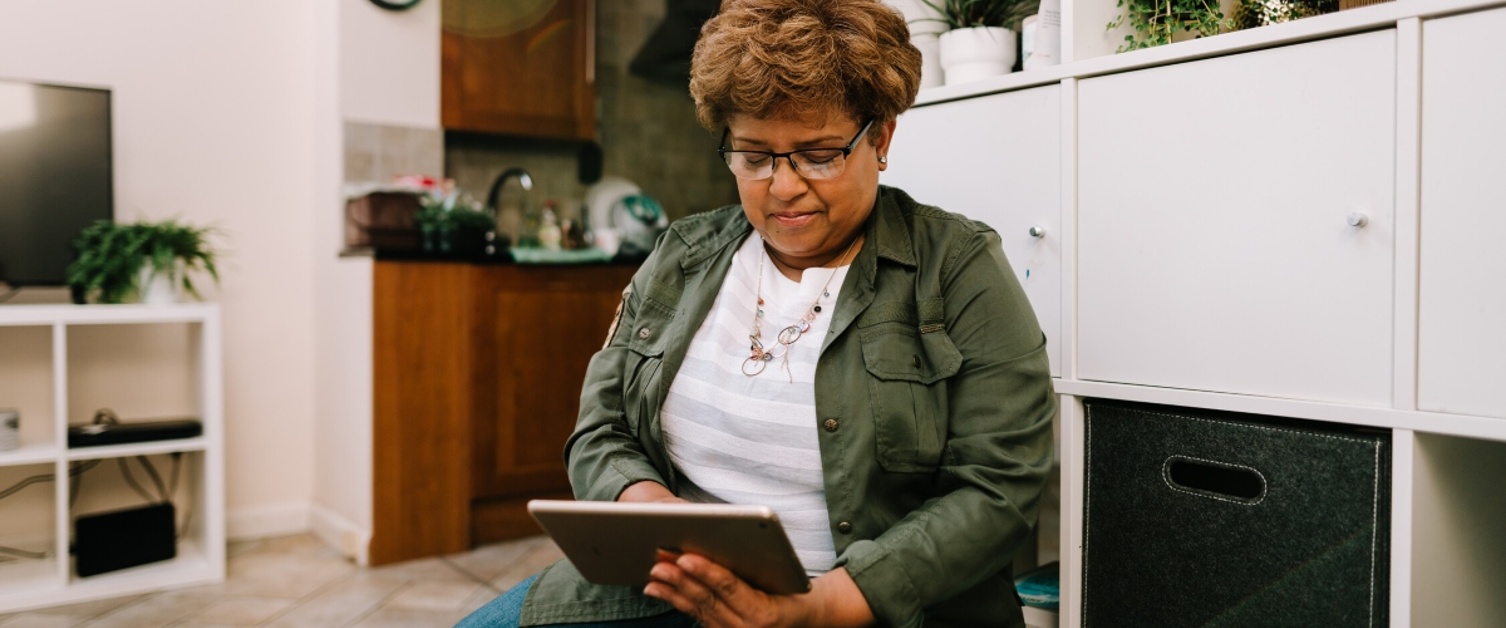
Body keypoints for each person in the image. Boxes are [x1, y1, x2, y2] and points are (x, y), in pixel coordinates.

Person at [458, 0, 1055, 626]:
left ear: (879, 137)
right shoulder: (681, 255)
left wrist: (823, 606)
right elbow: (602, 426)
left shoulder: (956, 265)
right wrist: (652, 509)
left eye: (819, 154)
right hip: (668, 588)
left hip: (865, 609)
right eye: (755, 156)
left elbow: (997, 486)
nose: (784, 186)